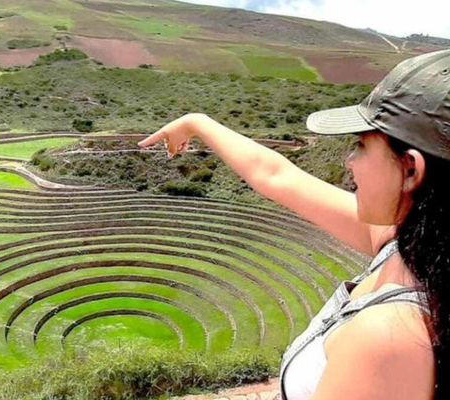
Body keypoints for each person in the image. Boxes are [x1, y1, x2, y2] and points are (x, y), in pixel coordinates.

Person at [138, 49, 450, 400]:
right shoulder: (408, 249)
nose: (349, 161)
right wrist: (197, 123)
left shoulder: (384, 341)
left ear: (410, 170)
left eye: (361, 145)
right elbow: (276, 175)